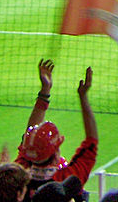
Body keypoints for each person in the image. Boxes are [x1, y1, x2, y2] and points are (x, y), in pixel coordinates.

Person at [15, 59, 98, 192]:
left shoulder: (18, 175)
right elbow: (91, 142)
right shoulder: (67, 180)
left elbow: (30, 139)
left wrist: (45, 90)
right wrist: (83, 97)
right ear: (55, 154)